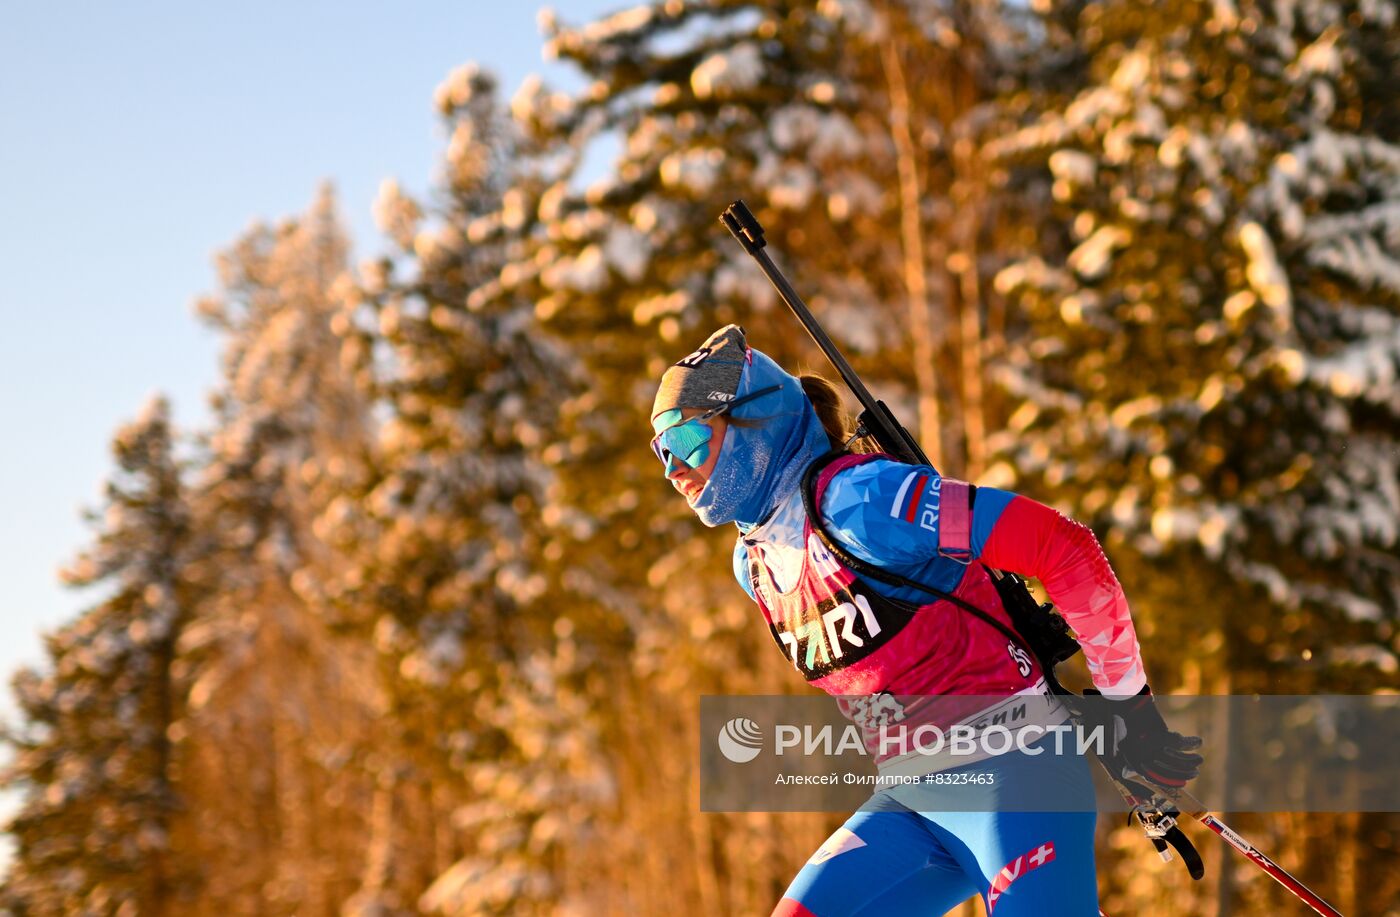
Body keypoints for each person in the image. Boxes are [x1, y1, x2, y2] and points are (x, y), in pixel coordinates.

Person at [650, 325, 1203, 917]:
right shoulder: (754, 563)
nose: (672, 468)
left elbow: (1064, 547)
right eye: (661, 450)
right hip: (911, 803)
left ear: (752, 423)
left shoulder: (863, 502)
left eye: (685, 438)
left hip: (1017, 780)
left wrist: (1132, 712)